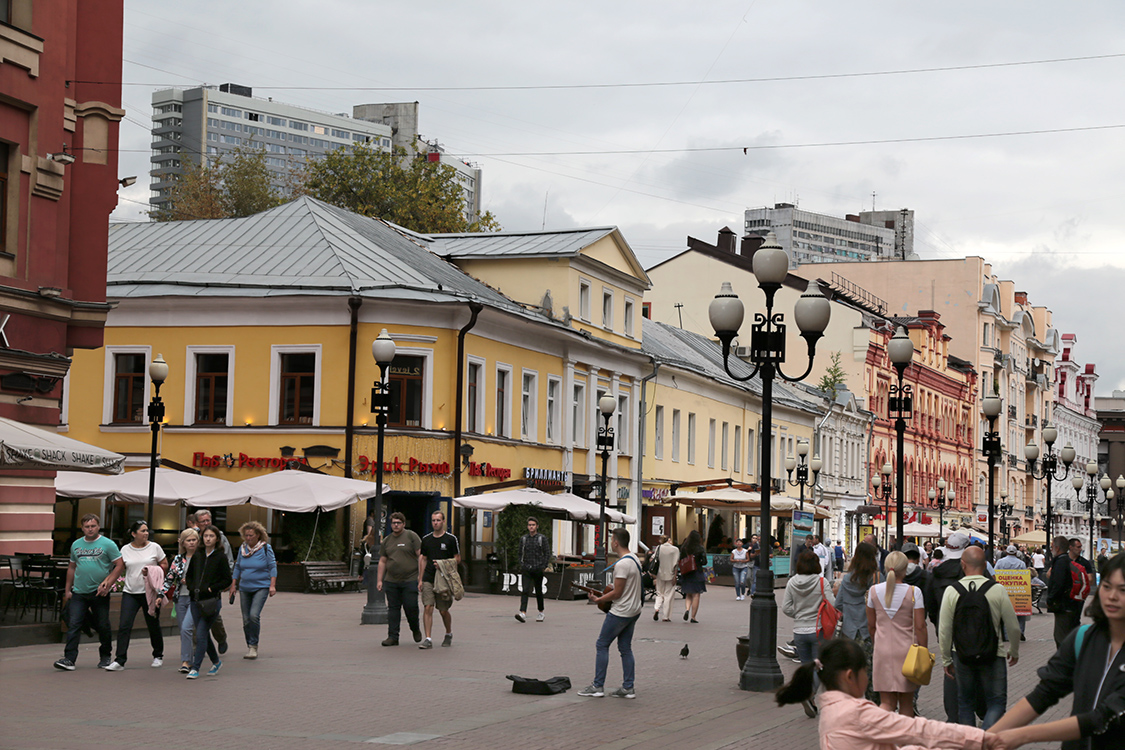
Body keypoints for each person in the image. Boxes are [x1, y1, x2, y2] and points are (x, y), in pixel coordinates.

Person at [989, 552, 1125, 750]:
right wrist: (985, 739)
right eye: (1106, 586)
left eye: (1122, 590)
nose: (1112, 596)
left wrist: (1022, 736)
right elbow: (1044, 693)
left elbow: (1101, 717)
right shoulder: (1083, 638)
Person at [775, 638, 1005, 750]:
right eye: (865, 671)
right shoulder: (855, 713)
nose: (868, 677)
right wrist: (979, 738)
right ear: (849, 676)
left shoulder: (831, 709)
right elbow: (919, 730)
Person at [938, 546, 1020, 729]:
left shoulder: (952, 590)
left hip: (961, 654)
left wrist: (946, 659)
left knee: (965, 703)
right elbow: (1013, 625)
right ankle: (983, 739)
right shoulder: (997, 589)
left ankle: (972, 743)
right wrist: (1014, 650)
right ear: (985, 565)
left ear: (962, 564)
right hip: (993, 654)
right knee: (997, 703)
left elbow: (944, 629)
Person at [578, 527, 643, 699]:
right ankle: (628, 687)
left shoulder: (622, 564)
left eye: (612, 540)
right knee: (625, 648)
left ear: (616, 542)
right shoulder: (635, 559)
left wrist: (599, 599)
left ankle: (598, 686)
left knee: (602, 645)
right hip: (634, 610)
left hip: (621, 611)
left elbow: (618, 593)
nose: (611, 543)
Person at [54, 514, 124, 671]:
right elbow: (72, 567)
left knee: (103, 624)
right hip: (79, 592)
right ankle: (69, 659)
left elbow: (119, 565)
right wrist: (67, 590)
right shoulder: (76, 545)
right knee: (74, 624)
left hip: (99, 592)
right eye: (87, 526)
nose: (90, 529)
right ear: (82, 528)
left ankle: (105, 656)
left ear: (98, 526)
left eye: (93, 526)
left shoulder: (108, 544)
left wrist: (108, 582)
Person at [866, 550, 926, 717]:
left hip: (882, 650)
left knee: (886, 702)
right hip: (908, 652)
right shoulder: (914, 592)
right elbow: (920, 626)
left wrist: (877, 642)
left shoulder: (873, 591)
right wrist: (924, 649)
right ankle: (904, 740)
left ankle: (882, 736)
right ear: (906, 569)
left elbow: (871, 625)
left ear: (885, 568)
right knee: (906, 703)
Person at [102, 520, 167, 671]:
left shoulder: (155, 547)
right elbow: (119, 568)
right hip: (130, 592)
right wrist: (108, 581)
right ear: (133, 534)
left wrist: (152, 570)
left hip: (149, 592)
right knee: (124, 625)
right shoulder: (125, 549)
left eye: (147, 531)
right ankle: (120, 660)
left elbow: (164, 564)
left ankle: (158, 655)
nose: (146, 533)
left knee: (153, 624)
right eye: (143, 531)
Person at [782, 550, 832, 718]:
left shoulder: (791, 582)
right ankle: (810, 694)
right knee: (819, 666)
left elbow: (786, 607)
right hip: (818, 630)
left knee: (806, 666)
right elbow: (832, 604)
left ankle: (809, 700)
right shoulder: (821, 582)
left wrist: (798, 615)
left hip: (799, 632)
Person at [155, 528, 211, 673]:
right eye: (189, 540)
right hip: (181, 598)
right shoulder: (178, 559)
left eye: (194, 540)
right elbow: (169, 578)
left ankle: (186, 661)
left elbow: (209, 579)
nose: (192, 543)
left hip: (196, 599)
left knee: (188, 628)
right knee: (184, 630)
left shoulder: (203, 558)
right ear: (183, 543)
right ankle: (190, 659)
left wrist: (192, 582)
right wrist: (161, 595)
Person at [834, 541, 880, 703]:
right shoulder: (876, 578)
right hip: (869, 631)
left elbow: (838, 605)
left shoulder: (846, 580)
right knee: (870, 672)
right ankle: (872, 706)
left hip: (849, 632)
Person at [184, 525, 232, 679]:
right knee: (203, 634)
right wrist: (192, 588)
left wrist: (212, 589)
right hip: (195, 600)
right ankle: (216, 662)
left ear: (217, 538)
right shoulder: (197, 555)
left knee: (201, 633)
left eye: (211, 536)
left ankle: (195, 667)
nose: (208, 539)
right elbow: (190, 575)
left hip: (211, 602)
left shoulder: (220, 556)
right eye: (205, 536)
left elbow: (227, 580)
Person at [229, 521, 276, 660]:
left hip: (261, 586)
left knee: (254, 615)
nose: (248, 538)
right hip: (245, 587)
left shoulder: (266, 548)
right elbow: (237, 567)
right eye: (246, 535)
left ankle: (253, 645)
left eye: (251, 535)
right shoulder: (242, 549)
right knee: (245, 619)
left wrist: (272, 585)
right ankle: (250, 645)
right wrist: (233, 585)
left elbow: (272, 567)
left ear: (258, 535)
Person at [376, 511, 422, 647]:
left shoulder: (411, 536)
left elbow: (420, 556)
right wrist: (379, 580)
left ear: (403, 524)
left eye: (398, 523)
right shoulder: (387, 541)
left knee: (410, 607)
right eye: (393, 523)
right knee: (393, 609)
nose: (396, 525)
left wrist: (421, 576)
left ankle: (415, 628)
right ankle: (392, 637)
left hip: (410, 579)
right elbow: (382, 561)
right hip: (391, 581)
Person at [418, 510, 460, 648]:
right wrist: (420, 579)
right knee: (428, 606)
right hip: (429, 577)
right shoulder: (426, 539)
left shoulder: (450, 539)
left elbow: (457, 559)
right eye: (433, 520)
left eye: (438, 520)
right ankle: (428, 639)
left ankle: (448, 633)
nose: (435, 523)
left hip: (444, 579)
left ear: (443, 522)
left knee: (443, 610)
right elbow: (423, 558)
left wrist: (443, 564)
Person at [194, 509, 232, 653]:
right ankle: (197, 648)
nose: (205, 523)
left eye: (207, 520)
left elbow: (228, 559)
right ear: (197, 523)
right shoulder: (194, 536)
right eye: (202, 521)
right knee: (194, 618)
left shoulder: (220, 537)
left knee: (213, 616)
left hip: (213, 584)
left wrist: (227, 581)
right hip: (197, 584)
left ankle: (221, 638)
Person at [1048, 534, 1086, 648]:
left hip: (1063, 605)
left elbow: (1058, 584)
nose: (1051, 549)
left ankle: (1065, 662)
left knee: (1061, 637)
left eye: (1052, 547)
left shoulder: (1061, 562)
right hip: (1071, 604)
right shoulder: (1067, 561)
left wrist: (1050, 599)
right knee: (1066, 635)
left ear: (1057, 548)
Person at [515, 516, 549, 624]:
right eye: (529, 525)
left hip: (538, 568)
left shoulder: (541, 538)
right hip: (527, 568)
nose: (531, 527)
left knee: (538, 591)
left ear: (537, 526)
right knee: (525, 590)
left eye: (533, 525)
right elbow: (520, 553)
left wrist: (543, 566)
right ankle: (523, 612)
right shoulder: (524, 539)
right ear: (527, 526)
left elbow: (547, 553)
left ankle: (541, 612)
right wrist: (522, 564)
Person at [995, 544, 1029, 640]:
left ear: (1006, 552)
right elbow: (1025, 575)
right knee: (1021, 613)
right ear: (1016, 552)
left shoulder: (1000, 562)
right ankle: (1020, 632)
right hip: (1019, 591)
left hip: (1004, 590)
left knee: (1005, 613)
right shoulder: (1021, 563)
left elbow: (995, 574)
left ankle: (1006, 635)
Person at [678, 530, 707, 623]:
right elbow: (704, 561)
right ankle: (693, 617)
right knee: (696, 595)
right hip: (696, 572)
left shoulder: (684, 548)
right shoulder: (700, 548)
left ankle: (687, 609)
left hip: (686, 573)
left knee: (688, 593)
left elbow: (680, 560)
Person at [651, 534, 680, 621]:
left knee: (659, 593)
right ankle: (666, 616)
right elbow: (676, 564)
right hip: (670, 575)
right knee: (668, 595)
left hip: (660, 574)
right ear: (669, 540)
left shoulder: (659, 548)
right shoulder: (675, 550)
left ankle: (656, 608)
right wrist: (675, 576)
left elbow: (653, 559)